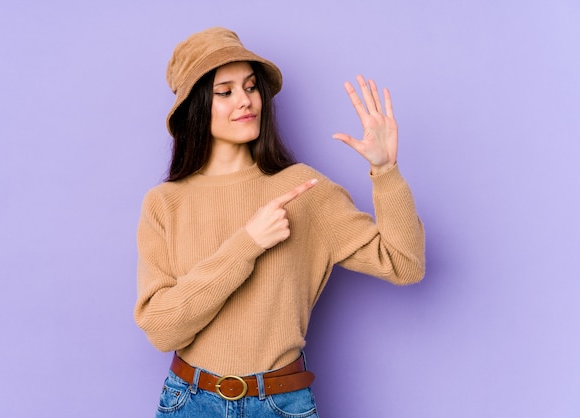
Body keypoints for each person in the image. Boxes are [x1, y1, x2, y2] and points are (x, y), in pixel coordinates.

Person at [134, 26, 425, 417]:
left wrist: (386, 171)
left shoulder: (303, 189)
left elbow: (404, 264)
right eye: (225, 91)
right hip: (189, 401)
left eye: (251, 87)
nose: (245, 100)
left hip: (280, 403)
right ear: (196, 107)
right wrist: (247, 244)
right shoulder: (165, 203)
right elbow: (162, 329)